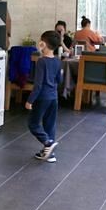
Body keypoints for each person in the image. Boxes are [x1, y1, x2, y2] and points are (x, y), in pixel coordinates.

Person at [25, 31, 62, 163]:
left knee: (33, 124)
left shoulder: (41, 61)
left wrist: (30, 100)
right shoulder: (57, 61)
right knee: (50, 125)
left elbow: (38, 85)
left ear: (43, 44)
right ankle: (49, 154)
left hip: (42, 98)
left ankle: (47, 142)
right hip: (53, 97)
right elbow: (59, 80)